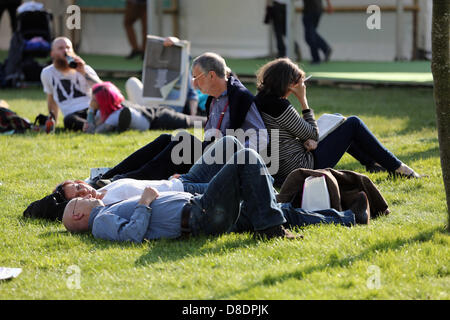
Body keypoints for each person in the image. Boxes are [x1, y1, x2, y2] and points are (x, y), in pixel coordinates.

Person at [62, 147, 370, 243]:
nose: (88, 196)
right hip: (201, 215)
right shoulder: (100, 222)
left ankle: (347, 217)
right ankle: (272, 230)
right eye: (80, 200)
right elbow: (132, 236)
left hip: (203, 212)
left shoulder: (103, 211)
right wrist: (144, 202)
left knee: (275, 210)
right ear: (78, 214)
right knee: (246, 157)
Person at [91, 52, 267, 185]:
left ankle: (124, 180)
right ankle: (110, 175)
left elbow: (262, 136)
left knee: (183, 144)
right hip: (210, 155)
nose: (194, 84)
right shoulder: (215, 100)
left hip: (223, 161)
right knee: (166, 139)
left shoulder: (241, 98)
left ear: (211, 75)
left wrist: (235, 158)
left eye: (196, 78)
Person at [254, 58, 422, 186]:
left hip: (283, 167)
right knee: (352, 124)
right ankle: (398, 168)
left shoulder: (262, 99)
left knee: (338, 120)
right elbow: (312, 133)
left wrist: (307, 140)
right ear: (290, 84)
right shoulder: (278, 105)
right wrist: (303, 101)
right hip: (298, 168)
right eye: (300, 83)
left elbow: (288, 132)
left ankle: (373, 163)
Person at [82, 81, 206, 134]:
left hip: (161, 118)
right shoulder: (106, 112)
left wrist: (91, 112)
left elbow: (95, 132)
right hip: (154, 115)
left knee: (194, 122)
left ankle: (222, 118)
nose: (92, 102)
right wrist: (91, 113)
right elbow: (88, 129)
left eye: (94, 99)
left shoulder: (117, 114)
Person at [126, 37, 200, 116]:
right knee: (132, 82)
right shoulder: (155, 66)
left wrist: (193, 117)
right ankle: (139, 113)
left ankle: (139, 114)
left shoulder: (184, 69)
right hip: (151, 104)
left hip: (170, 111)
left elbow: (192, 95)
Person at [40, 37, 101, 131]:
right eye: (60, 48)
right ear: (52, 54)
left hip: (92, 109)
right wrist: (53, 121)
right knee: (68, 120)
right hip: (73, 115)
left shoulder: (85, 68)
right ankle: (92, 126)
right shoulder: (47, 73)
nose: (65, 50)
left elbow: (103, 89)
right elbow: (51, 99)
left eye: (68, 47)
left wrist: (84, 72)